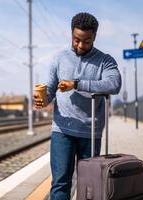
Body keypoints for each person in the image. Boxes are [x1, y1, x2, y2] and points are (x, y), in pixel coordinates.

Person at [34, 12, 121, 200]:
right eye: (76, 40)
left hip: (90, 132)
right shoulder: (59, 58)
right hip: (62, 131)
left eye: (86, 41)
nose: (80, 45)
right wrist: (43, 99)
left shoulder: (105, 61)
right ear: (71, 34)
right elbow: (50, 90)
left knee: (89, 184)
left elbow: (114, 84)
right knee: (60, 184)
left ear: (95, 37)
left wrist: (77, 83)